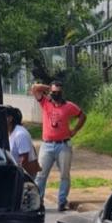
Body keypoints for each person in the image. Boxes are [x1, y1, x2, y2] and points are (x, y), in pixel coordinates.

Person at [29, 78, 86, 212]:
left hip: (63, 145)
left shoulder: (69, 106)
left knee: (64, 175)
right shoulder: (45, 102)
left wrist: (75, 130)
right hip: (47, 145)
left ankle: (62, 201)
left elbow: (82, 116)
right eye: (54, 92)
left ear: (62, 92)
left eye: (58, 92)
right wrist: (48, 88)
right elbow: (34, 88)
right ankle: (38, 202)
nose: (56, 95)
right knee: (41, 175)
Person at [6, 106, 39, 177]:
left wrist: (16, 176)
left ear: (10, 119)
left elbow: (24, 160)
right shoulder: (10, 132)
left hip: (25, 174)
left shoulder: (20, 134)